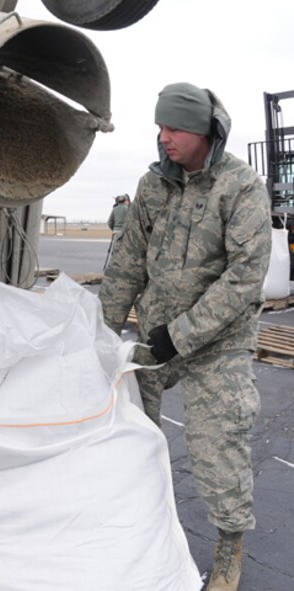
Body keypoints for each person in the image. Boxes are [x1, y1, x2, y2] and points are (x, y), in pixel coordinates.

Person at [99, 82, 271, 591]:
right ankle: (143, 527)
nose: (163, 137)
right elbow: (128, 261)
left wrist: (184, 333)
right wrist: (100, 335)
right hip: (156, 333)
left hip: (217, 342)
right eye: (160, 127)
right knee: (129, 428)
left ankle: (228, 552)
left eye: (173, 127)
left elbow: (244, 277)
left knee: (218, 444)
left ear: (203, 131)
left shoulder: (241, 187)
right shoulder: (154, 185)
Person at [104, 193, 131, 268]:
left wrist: (114, 229)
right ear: (125, 201)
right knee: (125, 251)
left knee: (115, 251)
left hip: (116, 233)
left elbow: (109, 222)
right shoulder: (127, 209)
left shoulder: (114, 209)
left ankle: (113, 267)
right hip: (124, 233)